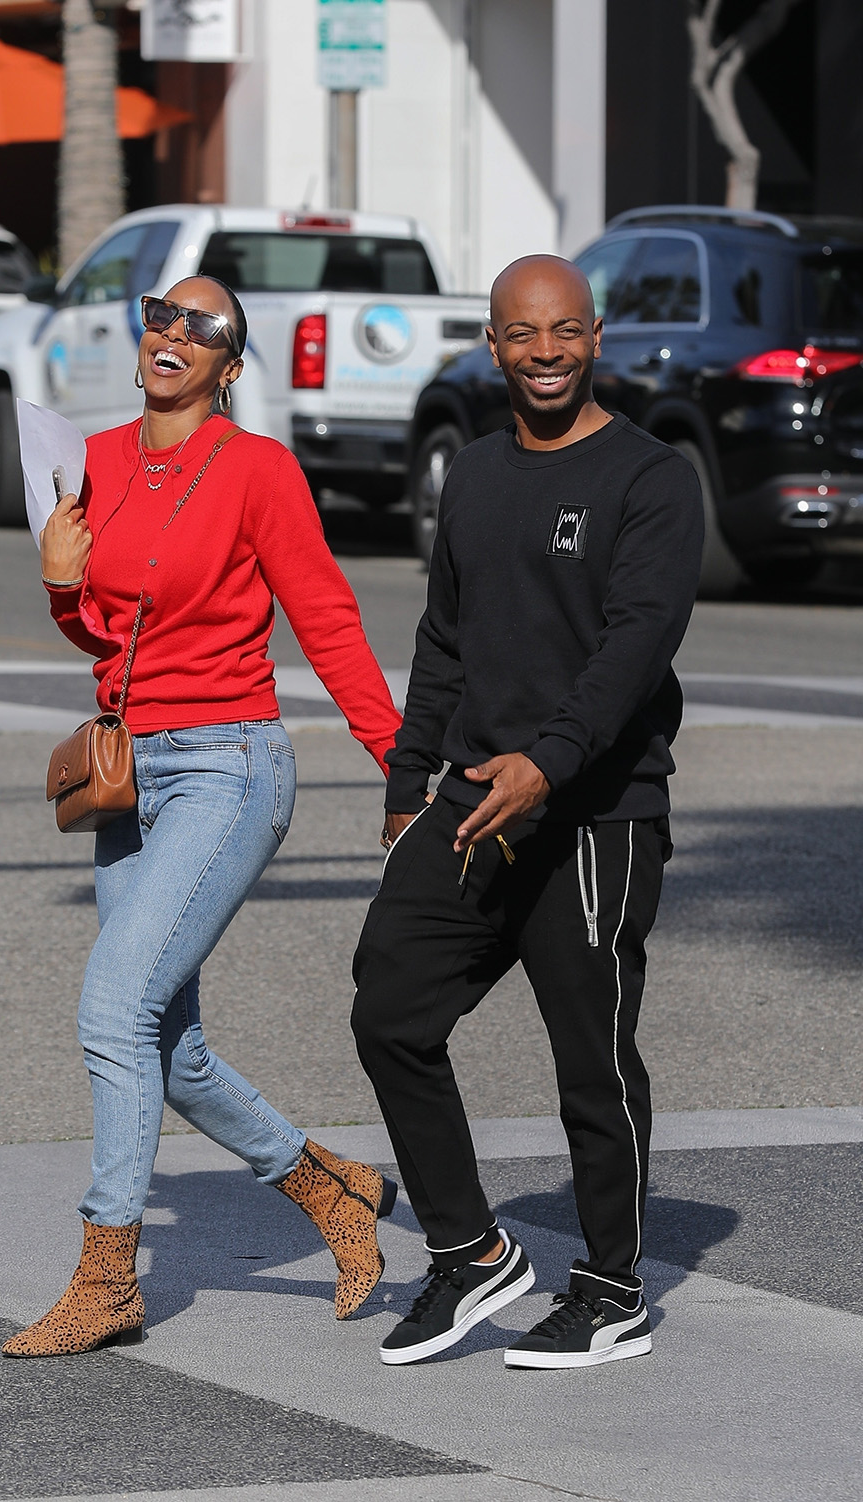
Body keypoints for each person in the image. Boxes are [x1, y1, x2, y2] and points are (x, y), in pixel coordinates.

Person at [3, 276, 402, 1358]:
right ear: (141, 342)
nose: (175, 332)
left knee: (110, 1007)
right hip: (134, 773)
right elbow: (110, 638)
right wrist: (57, 586)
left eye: (205, 327)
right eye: (161, 315)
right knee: (165, 1046)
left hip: (231, 765)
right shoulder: (92, 459)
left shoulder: (259, 470)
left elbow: (325, 615)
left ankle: (106, 1276)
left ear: (230, 366)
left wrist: (398, 764)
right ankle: (334, 1189)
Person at [351, 254, 703, 1369]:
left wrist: (546, 766)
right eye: (519, 333)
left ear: (593, 336)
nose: (543, 351)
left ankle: (609, 1286)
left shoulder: (650, 479)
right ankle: (468, 1249)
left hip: (594, 815)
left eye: (562, 331)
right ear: (492, 345)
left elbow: (631, 651)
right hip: (468, 799)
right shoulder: (477, 474)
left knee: (589, 1057)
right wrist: (411, 779)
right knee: (390, 1009)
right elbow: (444, 640)